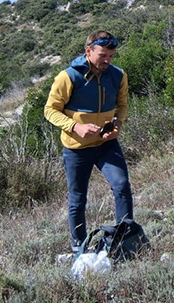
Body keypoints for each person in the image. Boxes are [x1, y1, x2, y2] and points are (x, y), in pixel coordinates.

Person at [44, 30, 134, 253]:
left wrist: (117, 125)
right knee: (78, 199)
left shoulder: (118, 75)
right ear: (88, 51)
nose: (107, 61)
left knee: (122, 186)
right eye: (102, 55)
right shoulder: (68, 77)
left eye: (111, 56)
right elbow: (50, 110)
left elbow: (122, 105)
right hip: (76, 149)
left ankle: (125, 240)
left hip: (106, 145)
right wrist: (76, 126)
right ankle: (79, 247)